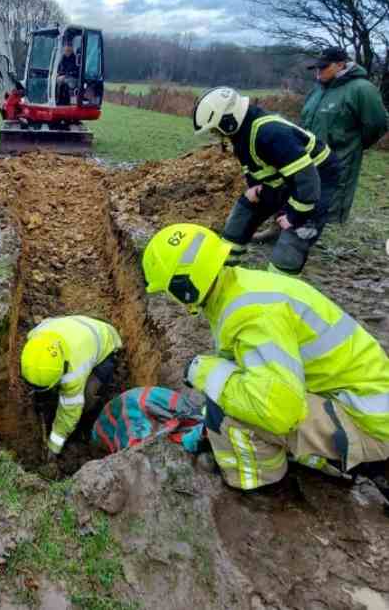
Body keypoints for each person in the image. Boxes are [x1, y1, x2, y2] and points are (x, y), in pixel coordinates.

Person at [141, 222, 389, 502]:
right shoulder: (239, 287)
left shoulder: (251, 315)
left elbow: (278, 410)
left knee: (226, 410)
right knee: (227, 389)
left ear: (184, 288)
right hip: (363, 403)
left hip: (368, 423)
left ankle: (257, 482)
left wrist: (206, 374)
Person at [193, 86, 340, 275]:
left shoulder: (271, 134)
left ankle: (279, 283)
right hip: (289, 177)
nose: (216, 135)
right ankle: (223, 270)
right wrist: (254, 187)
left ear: (228, 121)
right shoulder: (241, 135)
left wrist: (294, 215)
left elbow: (308, 180)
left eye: (215, 129)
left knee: (294, 238)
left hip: (318, 179)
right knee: (244, 209)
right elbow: (253, 166)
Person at [20, 316, 122, 477]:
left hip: (105, 343)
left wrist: (54, 446)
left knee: (87, 397)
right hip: (76, 326)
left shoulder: (75, 371)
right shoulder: (35, 341)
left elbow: (70, 412)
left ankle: (86, 422)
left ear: (63, 369)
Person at [301, 46, 388, 224]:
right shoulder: (318, 88)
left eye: (324, 67)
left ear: (340, 65)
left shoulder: (362, 89)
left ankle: (323, 229)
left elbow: (377, 123)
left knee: (331, 197)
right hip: (310, 153)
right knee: (307, 191)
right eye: (317, 67)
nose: (319, 72)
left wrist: (353, 143)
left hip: (341, 154)